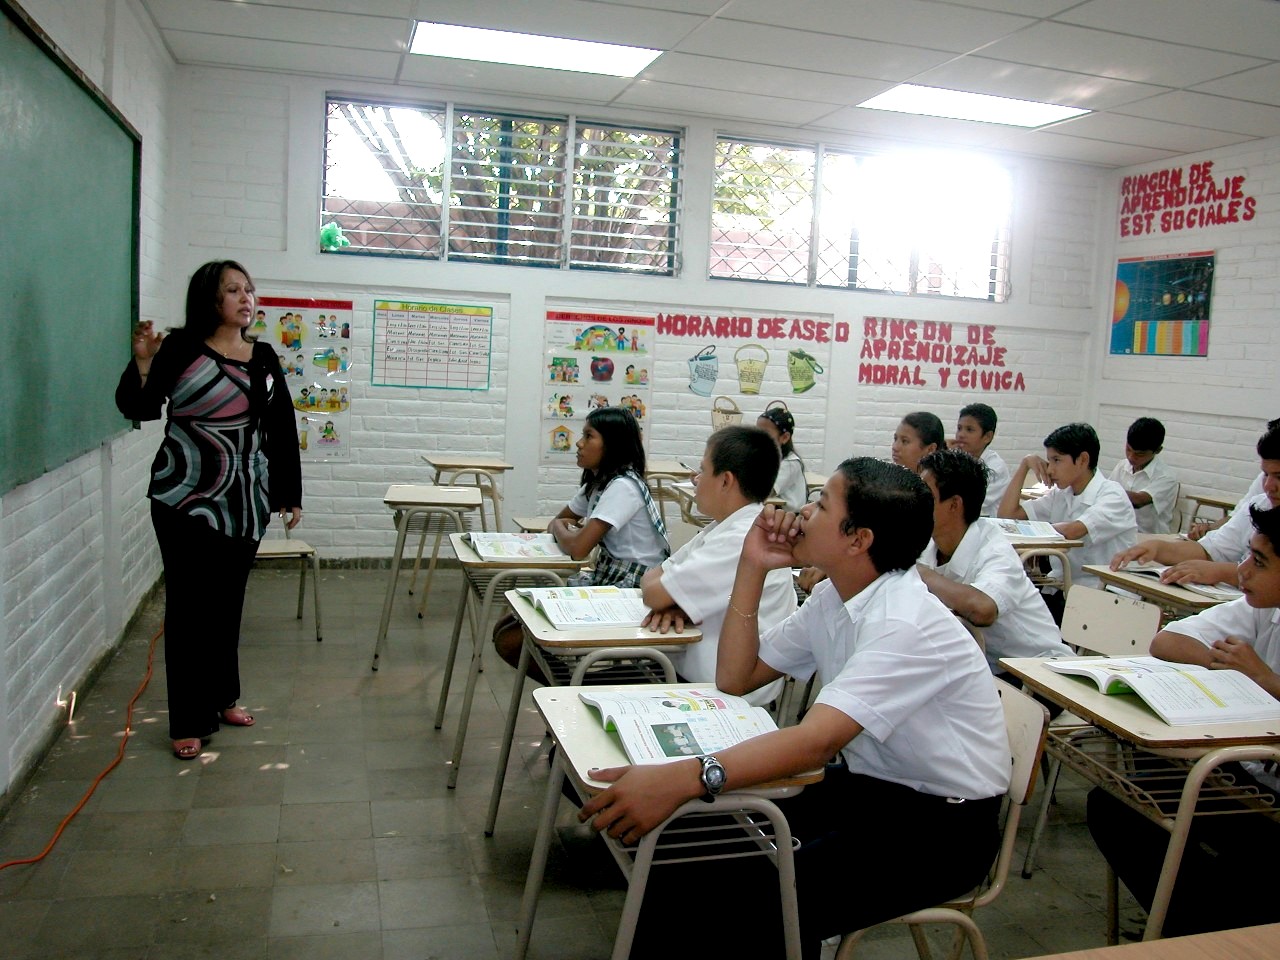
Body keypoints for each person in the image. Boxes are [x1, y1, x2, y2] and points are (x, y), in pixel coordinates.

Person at [580, 458, 1010, 958]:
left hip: (941, 830)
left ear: (858, 539)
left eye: (823, 504)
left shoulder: (906, 623)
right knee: (690, 848)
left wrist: (681, 777)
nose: (803, 512)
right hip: (869, 790)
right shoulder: (837, 596)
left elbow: (814, 743)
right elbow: (737, 678)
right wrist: (753, 564)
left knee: (761, 898)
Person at [115, 260, 302, 761]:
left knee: (226, 605)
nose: (246, 298)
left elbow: (280, 426)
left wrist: (288, 494)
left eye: (249, 289)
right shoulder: (178, 348)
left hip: (243, 501)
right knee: (189, 610)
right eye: (233, 290)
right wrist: (143, 364)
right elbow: (140, 408)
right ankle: (188, 720)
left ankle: (222, 699)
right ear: (210, 299)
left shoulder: (262, 355)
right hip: (183, 496)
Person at [1087, 502, 1280, 937]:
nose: (1242, 572)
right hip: (1244, 773)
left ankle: (1208, 924)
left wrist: (1265, 679)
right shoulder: (1261, 606)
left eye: (1259, 562)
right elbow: (1167, 640)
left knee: (1251, 866)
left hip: (1272, 796)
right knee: (1117, 802)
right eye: (1247, 556)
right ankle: (1198, 924)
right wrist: (1228, 667)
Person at [493, 406, 669, 673]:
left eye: (589, 436)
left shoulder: (623, 487)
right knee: (506, 627)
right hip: (611, 577)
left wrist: (557, 527)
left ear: (612, 445)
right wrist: (560, 526)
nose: (578, 443)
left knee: (512, 640)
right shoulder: (599, 484)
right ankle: (570, 681)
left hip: (636, 586)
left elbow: (577, 548)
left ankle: (570, 684)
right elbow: (564, 521)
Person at [641, 426, 798, 706]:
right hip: (694, 675)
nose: (695, 479)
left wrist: (671, 599)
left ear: (726, 481)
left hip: (718, 695)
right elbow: (653, 579)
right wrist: (673, 601)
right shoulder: (726, 526)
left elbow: (653, 592)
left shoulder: (741, 537)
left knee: (586, 685)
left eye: (702, 470)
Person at [916, 449, 1071, 674]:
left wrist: (923, 574)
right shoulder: (929, 544)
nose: (915, 502)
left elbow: (982, 610)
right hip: (985, 667)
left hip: (1040, 673)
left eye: (925, 495)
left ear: (954, 505)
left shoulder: (995, 550)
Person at [1111, 425, 1280, 586]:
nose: (1268, 486)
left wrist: (1222, 571)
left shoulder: (1166, 476)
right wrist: (1158, 548)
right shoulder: (1259, 505)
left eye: (1279, 477)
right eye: (1265, 475)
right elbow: (1211, 551)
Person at [999, 422, 1136, 602]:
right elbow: (1007, 516)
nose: (1049, 469)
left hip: (1105, 593)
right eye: (1049, 461)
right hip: (1063, 586)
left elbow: (1073, 531)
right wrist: (1024, 466)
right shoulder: (1062, 493)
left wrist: (1034, 530)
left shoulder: (1112, 494)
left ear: (1082, 460)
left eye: (1057, 460)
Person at [1109, 417, 1178, 534]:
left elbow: (1138, 500)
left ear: (1158, 450)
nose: (1131, 457)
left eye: (1139, 454)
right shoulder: (1122, 466)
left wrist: (1103, 488)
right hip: (1121, 533)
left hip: (1151, 539)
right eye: (1128, 449)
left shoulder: (1166, 477)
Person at [952, 402, 1009, 516]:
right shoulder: (957, 458)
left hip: (987, 525)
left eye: (969, 429)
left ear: (987, 437)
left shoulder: (995, 467)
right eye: (959, 428)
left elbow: (970, 503)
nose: (961, 435)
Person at [756, 402, 806, 510]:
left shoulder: (790, 463)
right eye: (756, 433)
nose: (758, 439)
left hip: (789, 519)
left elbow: (765, 492)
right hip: (773, 513)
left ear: (784, 437)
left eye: (765, 434)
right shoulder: (768, 458)